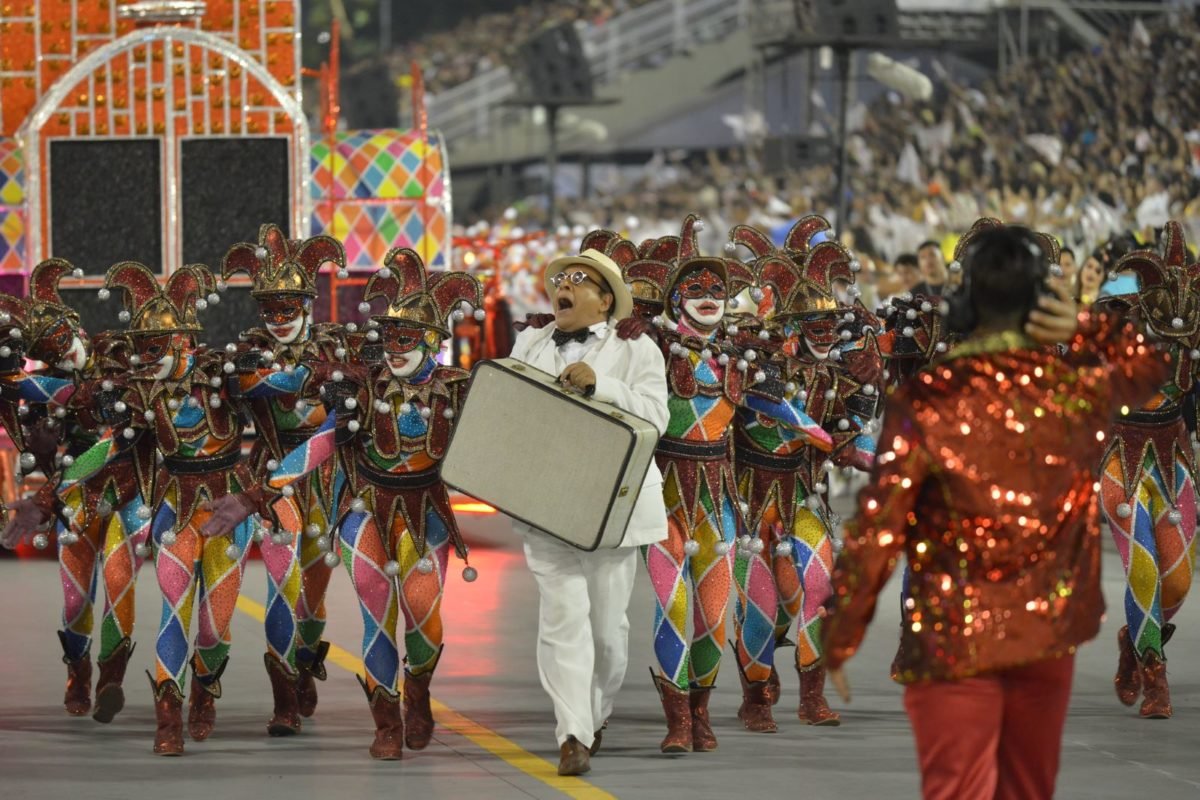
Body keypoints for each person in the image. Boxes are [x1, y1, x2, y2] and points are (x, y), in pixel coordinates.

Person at [821, 221, 1170, 800]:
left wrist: (841, 633)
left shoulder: (926, 400)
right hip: (1045, 633)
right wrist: (1086, 325)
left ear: (962, 301)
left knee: (956, 788)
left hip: (950, 635)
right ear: (1042, 303)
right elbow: (1153, 368)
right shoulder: (1073, 391)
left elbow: (879, 527)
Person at [508, 243, 669, 777]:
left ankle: (596, 715)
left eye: (581, 280)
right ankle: (572, 733)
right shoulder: (529, 340)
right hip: (547, 501)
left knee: (606, 629)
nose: (566, 286)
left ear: (605, 302)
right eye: (563, 278)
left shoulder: (638, 348)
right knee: (561, 620)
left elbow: (657, 416)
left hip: (610, 506)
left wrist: (605, 385)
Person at [219, 225, 349, 735]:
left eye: (286, 310)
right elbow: (243, 384)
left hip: (326, 479)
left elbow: (345, 404)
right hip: (270, 476)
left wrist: (324, 392)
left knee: (313, 592)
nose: (276, 321)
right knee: (280, 583)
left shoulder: (336, 344)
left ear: (306, 305)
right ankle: (284, 703)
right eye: (268, 311)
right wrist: (301, 383)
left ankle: (304, 659)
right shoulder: (248, 349)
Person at [1098, 221, 1198, 720]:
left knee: (1177, 583)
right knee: (1143, 571)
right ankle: (1155, 674)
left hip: (1174, 463)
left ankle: (1134, 639)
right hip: (1122, 461)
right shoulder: (1113, 323)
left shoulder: (1193, 338)